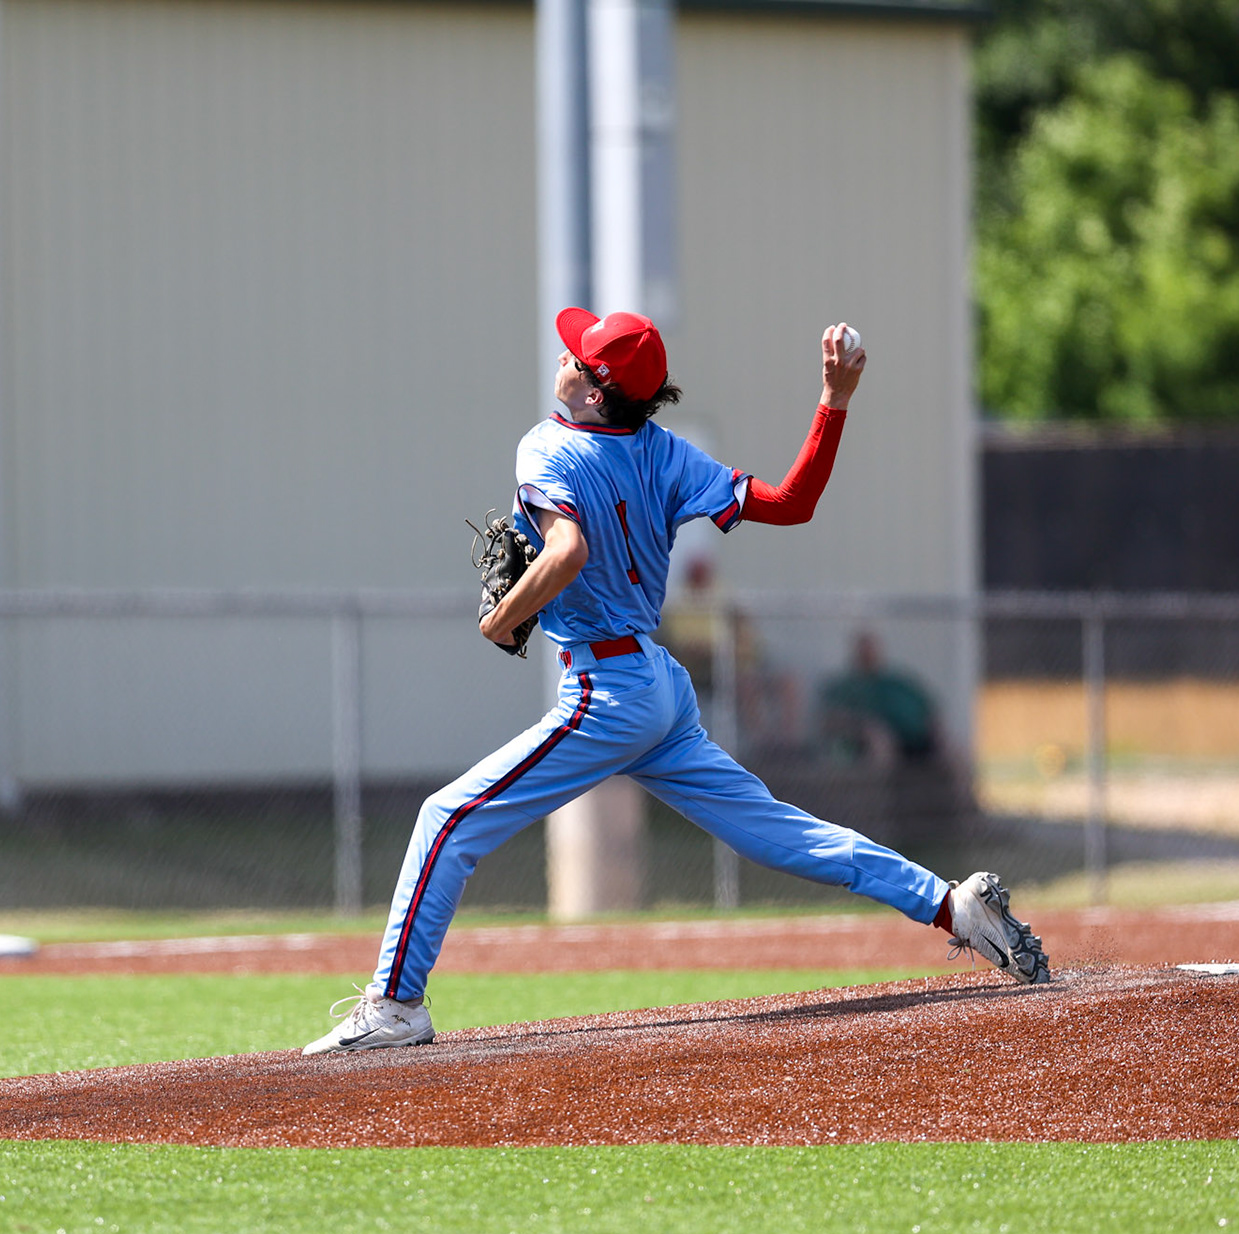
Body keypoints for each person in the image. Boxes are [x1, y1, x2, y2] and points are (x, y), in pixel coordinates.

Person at [303, 311, 1048, 1055]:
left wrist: (503, 618)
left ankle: (396, 1005)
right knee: (779, 833)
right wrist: (834, 400)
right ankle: (951, 906)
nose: (565, 354)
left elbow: (566, 551)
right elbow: (793, 504)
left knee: (446, 820)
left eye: (579, 356)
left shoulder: (548, 445)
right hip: (658, 687)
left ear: (596, 393)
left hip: (606, 693)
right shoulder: (667, 453)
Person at [820, 630, 939, 765]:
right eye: (864, 650)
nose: (868, 654)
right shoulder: (844, 686)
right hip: (869, 740)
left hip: (917, 740)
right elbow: (831, 718)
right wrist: (864, 726)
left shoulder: (898, 682)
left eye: (871, 649)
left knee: (954, 749)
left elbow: (929, 708)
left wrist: (938, 731)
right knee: (878, 741)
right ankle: (883, 779)